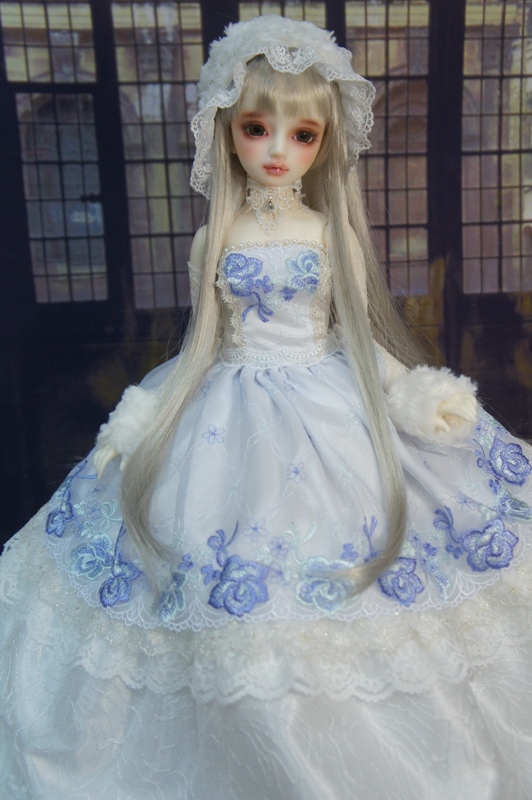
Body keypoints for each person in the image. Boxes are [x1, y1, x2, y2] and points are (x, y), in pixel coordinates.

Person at [1, 14, 531, 799]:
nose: (278, 149)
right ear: (228, 128)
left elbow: (358, 332)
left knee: (375, 571)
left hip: (329, 401)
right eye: (257, 127)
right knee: (204, 575)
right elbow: (200, 345)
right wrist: (139, 418)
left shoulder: (328, 232)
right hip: (229, 410)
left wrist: (414, 391)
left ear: (325, 142)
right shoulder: (214, 238)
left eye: (302, 134)